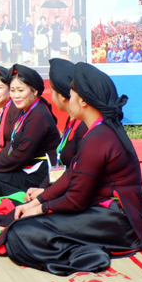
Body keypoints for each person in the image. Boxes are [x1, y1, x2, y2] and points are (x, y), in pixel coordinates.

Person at [0, 62, 142, 275]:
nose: (68, 98)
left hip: (118, 222)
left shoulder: (99, 137)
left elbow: (76, 200)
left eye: (72, 93)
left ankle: (87, 252)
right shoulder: (96, 131)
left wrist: (38, 209)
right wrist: (38, 202)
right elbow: (71, 175)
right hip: (105, 212)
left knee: (21, 232)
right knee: (24, 225)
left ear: (84, 100)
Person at [0, 64, 60, 210]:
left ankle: (25, 196)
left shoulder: (38, 115)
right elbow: (14, 148)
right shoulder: (26, 110)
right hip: (24, 165)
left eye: (21, 90)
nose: (15, 95)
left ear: (34, 91)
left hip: (37, 171)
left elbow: (22, 154)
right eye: (13, 90)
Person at [25, 58, 88, 201]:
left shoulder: (84, 126)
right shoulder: (71, 119)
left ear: (62, 95)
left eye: (52, 91)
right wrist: (44, 190)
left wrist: (45, 195)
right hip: (61, 185)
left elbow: (79, 177)